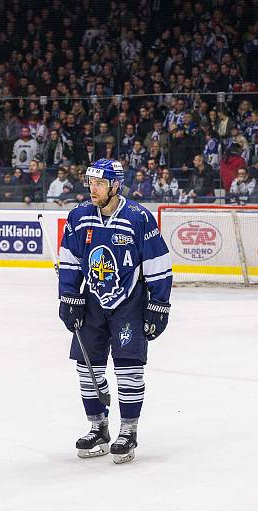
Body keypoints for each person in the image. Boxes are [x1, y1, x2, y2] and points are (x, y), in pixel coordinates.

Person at [58, 158, 172, 464]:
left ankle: (128, 431)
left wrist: (159, 304)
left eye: (99, 184)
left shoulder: (138, 217)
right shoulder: (79, 217)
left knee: (128, 369)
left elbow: (157, 263)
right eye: (90, 183)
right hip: (92, 303)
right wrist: (69, 296)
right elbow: (69, 259)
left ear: (115, 185)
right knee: (87, 367)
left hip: (129, 304)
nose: (93, 189)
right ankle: (98, 427)